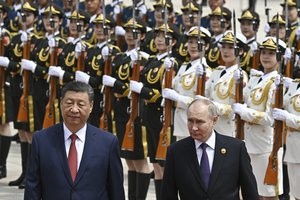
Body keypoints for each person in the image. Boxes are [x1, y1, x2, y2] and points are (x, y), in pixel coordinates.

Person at [24, 81, 125, 200]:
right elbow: (32, 187)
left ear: (91, 106)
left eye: (81, 104)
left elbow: (116, 190)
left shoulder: (108, 142)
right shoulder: (41, 140)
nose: (74, 109)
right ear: (61, 103)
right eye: (69, 103)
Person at [161, 98, 259, 200]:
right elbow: (168, 194)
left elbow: (250, 192)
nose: (194, 127)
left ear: (214, 120)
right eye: (190, 121)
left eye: (199, 122)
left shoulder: (236, 149)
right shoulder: (176, 151)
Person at [233, 37, 286, 199]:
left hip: (266, 145)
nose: (266, 57)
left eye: (271, 54)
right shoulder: (257, 79)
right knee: (253, 192)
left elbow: (270, 119)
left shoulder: (276, 82)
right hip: (249, 142)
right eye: (263, 52)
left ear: (279, 57)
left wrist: (244, 112)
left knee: (269, 194)